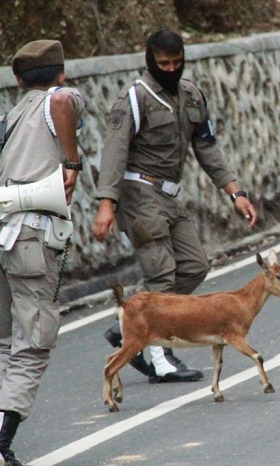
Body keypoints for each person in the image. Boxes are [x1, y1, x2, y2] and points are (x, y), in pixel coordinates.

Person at [91, 30, 257, 384]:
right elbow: (114, 153)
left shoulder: (191, 95)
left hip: (168, 195)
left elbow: (207, 148)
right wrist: (107, 205)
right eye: (163, 63)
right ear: (150, 60)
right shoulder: (133, 99)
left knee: (195, 265)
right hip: (137, 194)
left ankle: (134, 326)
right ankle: (160, 358)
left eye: (176, 62)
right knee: (161, 270)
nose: (170, 69)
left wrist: (235, 192)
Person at [0, 40, 85, 466]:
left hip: (2, 232)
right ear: (61, 72)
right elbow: (65, 99)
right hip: (31, 237)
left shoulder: (10, 115)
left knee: (1, 343)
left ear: (17, 79)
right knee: (33, 344)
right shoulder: (61, 98)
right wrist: (70, 162)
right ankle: (2, 442)